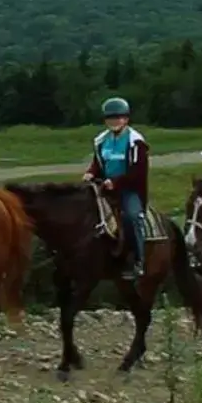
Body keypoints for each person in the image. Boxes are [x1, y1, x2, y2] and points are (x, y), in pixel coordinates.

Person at [83, 96, 151, 280]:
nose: (114, 121)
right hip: (105, 188)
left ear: (126, 119)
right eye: (110, 118)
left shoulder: (135, 142)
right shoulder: (101, 140)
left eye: (119, 117)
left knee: (132, 217)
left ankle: (139, 260)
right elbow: (98, 163)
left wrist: (116, 182)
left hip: (129, 189)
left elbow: (138, 172)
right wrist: (90, 173)